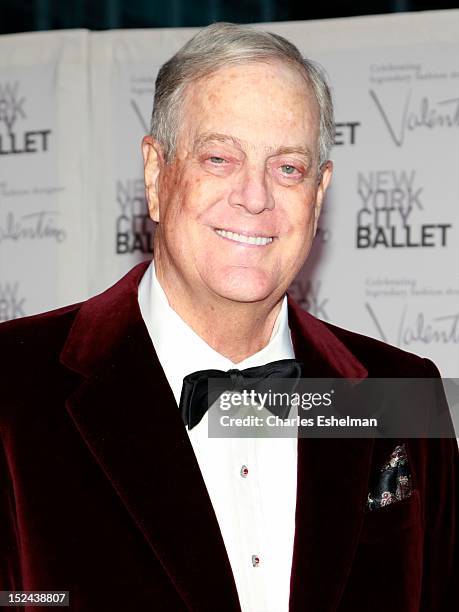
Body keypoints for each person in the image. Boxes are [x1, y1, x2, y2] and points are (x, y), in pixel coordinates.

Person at [0, 22, 457, 612]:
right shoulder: (13, 387)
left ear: (319, 194)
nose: (256, 196)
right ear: (156, 173)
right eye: (219, 158)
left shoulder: (402, 395)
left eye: (288, 167)